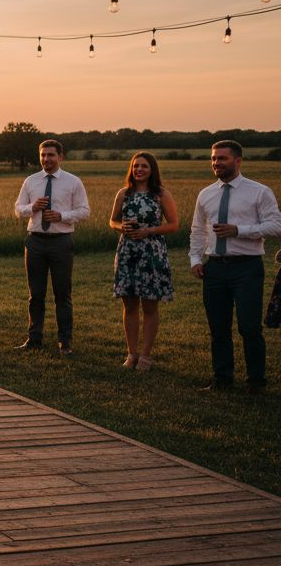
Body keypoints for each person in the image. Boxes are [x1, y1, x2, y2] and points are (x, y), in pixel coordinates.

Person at [189, 140, 281, 394]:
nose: (216, 163)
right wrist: (196, 260)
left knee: (249, 326)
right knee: (218, 327)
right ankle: (222, 378)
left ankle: (256, 382)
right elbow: (197, 230)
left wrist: (238, 230)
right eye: (214, 159)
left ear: (238, 161)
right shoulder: (206, 194)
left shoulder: (259, 192)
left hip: (247, 267)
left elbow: (275, 226)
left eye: (222, 158)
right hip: (215, 268)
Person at [13, 139, 90, 356]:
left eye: (51, 155)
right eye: (43, 155)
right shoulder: (31, 181)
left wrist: (61, 216)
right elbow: (18, 210)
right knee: (35, 294)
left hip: (61, 241)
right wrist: (32, 207)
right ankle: (34, 338)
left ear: (60, 157)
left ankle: (64, 341)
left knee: (62, 294)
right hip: (35, 241)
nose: (46, 159)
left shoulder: (73, 182)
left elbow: (84, 211)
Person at [109, 152, 179, 371]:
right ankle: (131, 354)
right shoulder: (123, 193)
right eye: (136, 166)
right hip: (128, 251)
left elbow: (174, 224)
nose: (139, 169)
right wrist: (123, 227)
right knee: (129, 304)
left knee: (149, 305)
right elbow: (113, 221)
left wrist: (149, 230)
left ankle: (146, 356)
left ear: (152, 170)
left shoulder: (161, 194)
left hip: (152, 251)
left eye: (144, 166)